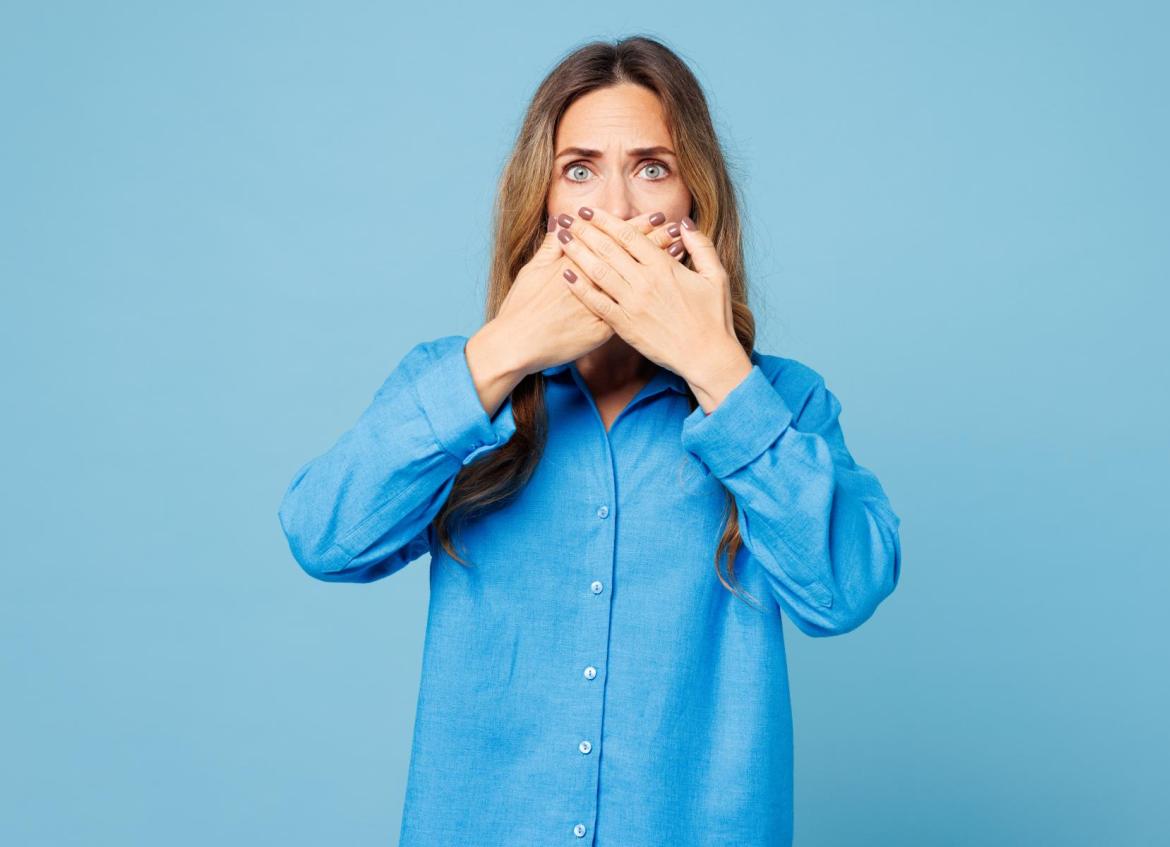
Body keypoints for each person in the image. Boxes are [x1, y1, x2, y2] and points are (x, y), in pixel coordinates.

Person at [277, 35, 902, 847]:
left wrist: (715, 367)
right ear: (542, 204)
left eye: (652, 167)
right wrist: (502, 351)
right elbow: (324, 536)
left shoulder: (781, 400)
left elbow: (844, 588)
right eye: (579, 170)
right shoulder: (454, 380)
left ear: (694, 205)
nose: (614, 208)